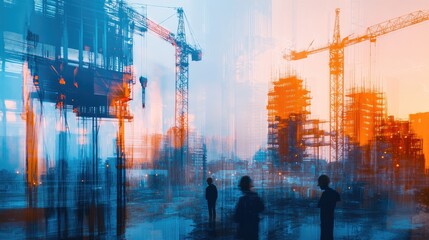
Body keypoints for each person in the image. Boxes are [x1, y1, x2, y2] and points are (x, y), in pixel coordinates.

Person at [234, 176, 265, 240]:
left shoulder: (242, 200)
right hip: (254, 230)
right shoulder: (256, 197)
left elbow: (237, 217)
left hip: (243, 232)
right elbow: (262, 208)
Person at [317, 174, 340, 240]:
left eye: (320, 184)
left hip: (324, 220)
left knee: (324, 236)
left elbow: (319, 205)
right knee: (329, 235)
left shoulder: (325, 194)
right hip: (330, 219)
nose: (319, 186)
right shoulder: (334, 193)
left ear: (323, 184)